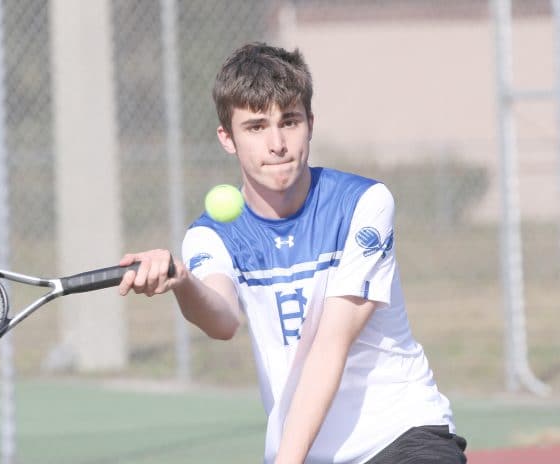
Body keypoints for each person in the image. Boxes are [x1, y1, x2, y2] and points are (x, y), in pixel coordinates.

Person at [118, 42, 467, 463]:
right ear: (227, 138)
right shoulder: (211, 235)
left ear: (311, 123)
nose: (277, 143)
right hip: (307, 452)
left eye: (290, 121)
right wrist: (183, 282)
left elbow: (330, 343)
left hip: (401, 435)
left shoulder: (363, 204)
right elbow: (223, 320)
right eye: (256, 127)